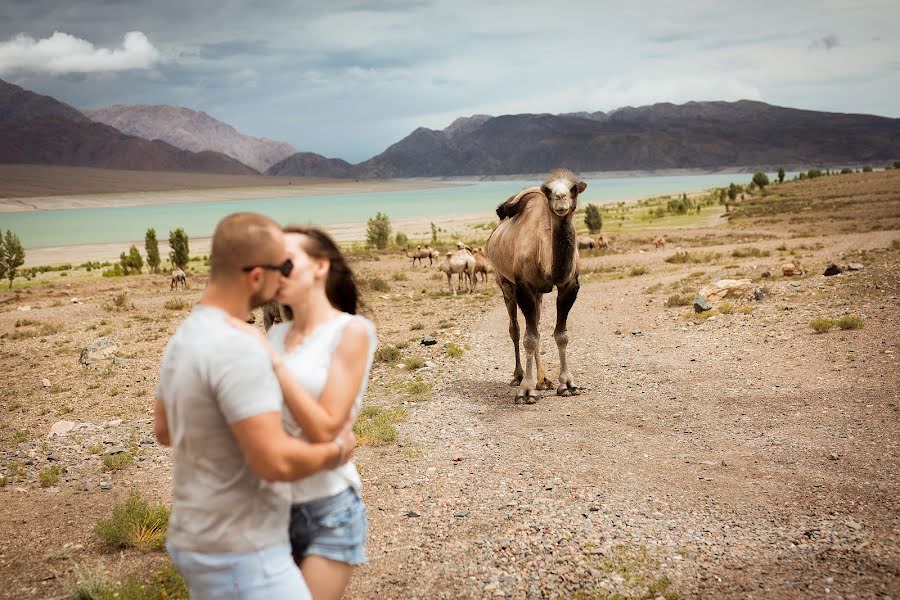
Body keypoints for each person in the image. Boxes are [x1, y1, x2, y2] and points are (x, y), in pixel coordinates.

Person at [153, 213, 355, 600]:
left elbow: (164, 430)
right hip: (244, 548)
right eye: (282, 267)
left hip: (194, 537)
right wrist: (336, 451)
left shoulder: (185, 336)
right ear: (255, 276)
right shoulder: (241, 346)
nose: (285, 278)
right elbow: (273, 462)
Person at [230, 225, 376, 600]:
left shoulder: (352, 331)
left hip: (329, 512)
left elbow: (326, 428)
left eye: (286, 263)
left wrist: (271, 363)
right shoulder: (277, 336)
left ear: (320, 266)